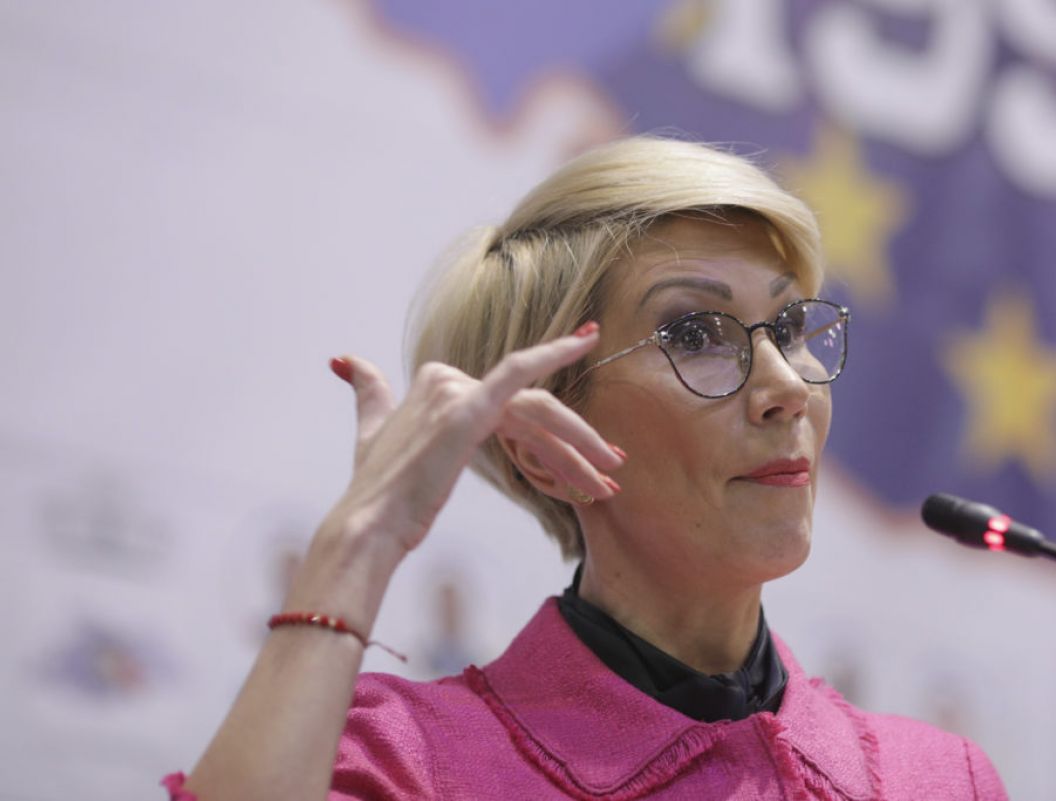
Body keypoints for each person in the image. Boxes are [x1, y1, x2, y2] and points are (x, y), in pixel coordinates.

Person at [166, 136, 1008, 800]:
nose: (787, 387)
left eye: (789, 328)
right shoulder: (405, 763)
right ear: (544, 445)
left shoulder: (938, 780)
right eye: (696, 335)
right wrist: (361, 539)